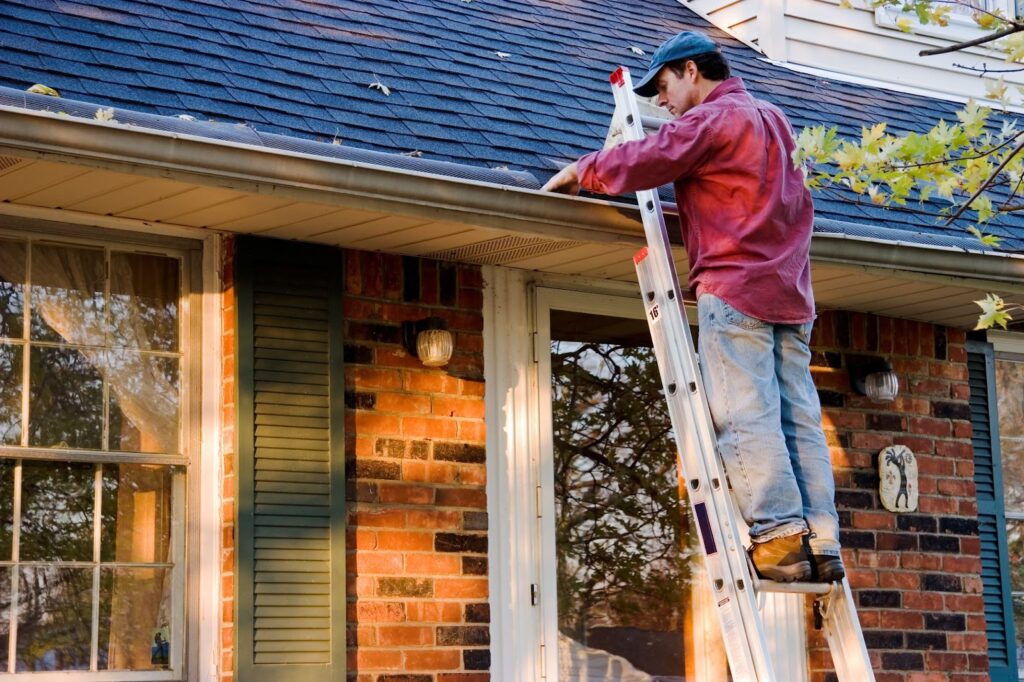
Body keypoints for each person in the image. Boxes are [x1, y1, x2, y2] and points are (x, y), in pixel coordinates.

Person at [542, 30, 843, 583]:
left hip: (737, 293)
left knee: (745, 415)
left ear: (690, 71)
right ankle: (821, 540)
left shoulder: (713, 120)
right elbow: (785, 209)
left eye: (662, 86)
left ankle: (778, 538)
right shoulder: (775, 120)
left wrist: (584, 169)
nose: (659, 102)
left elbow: (655, 155)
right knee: (798, 418)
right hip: (791, 296)